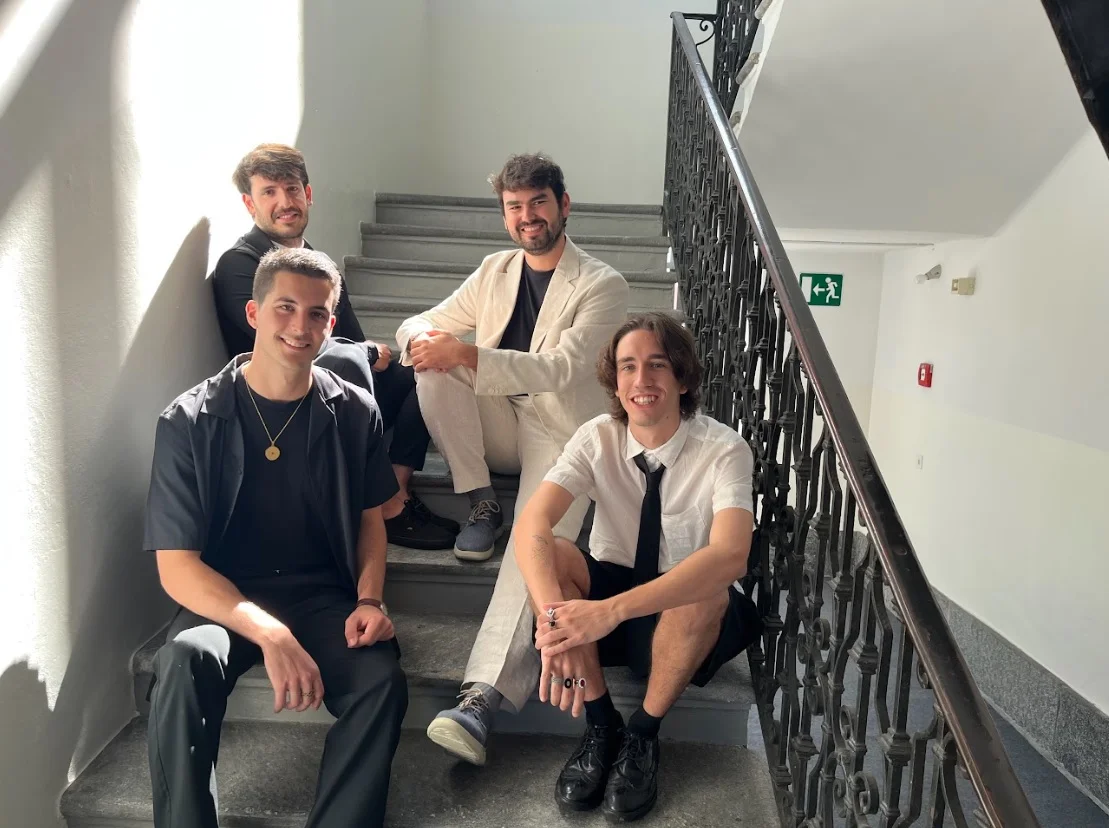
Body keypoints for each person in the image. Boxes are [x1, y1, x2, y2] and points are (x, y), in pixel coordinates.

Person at [144, 248, 408, 828]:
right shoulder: (189, 420)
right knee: (183, 662)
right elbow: (177, 567)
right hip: (224, 597)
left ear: (331, 325)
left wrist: (370, 599)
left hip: (323, 596)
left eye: (317, 314)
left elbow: (371, 519)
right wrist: (272, 634)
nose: (300, 326)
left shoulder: (355, 410)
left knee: (380, 679)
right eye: (285, 307)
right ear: (254, 314)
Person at [397, 154, 629, 764]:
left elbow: (563, 368)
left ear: (563, 205)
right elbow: (421, 321)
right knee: (434, 370)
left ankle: (481, 697)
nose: (528, 217)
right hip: (502, 419)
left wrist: (466, 354)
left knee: (535, 543)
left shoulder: (602, 284)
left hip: (563, 432)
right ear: (504, 216)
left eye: (538, 203)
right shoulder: (494, 270)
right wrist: (423, 341)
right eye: (515, 207)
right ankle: (480, 499)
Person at [513, 312, 763, 822]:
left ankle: (643, 735)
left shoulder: (724, 449)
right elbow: (532, 523)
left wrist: (609, 611)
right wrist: (554, 621)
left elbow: (731, 555)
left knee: (707, 584)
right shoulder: (597, 435)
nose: (641, 380)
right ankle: (601, 724)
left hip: (683, 611)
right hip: (613, 586)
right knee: (553, 552)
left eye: (657, 365)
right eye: (628, 366)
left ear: (683, 378)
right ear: (615, 380)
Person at [211, 143, 456, 550]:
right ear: (249, 204)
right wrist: (362, 352)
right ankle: (380, 506)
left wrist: (368, 352)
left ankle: (393, 493)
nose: (284, 202)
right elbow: (284, 343)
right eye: (269, 192)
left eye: (292, 189)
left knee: (422, 369)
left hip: (337, 394)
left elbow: (354, 340)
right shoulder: (239, 264)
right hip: (276, 409)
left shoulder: (320, 266)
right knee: (344, 359)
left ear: (308, 194)